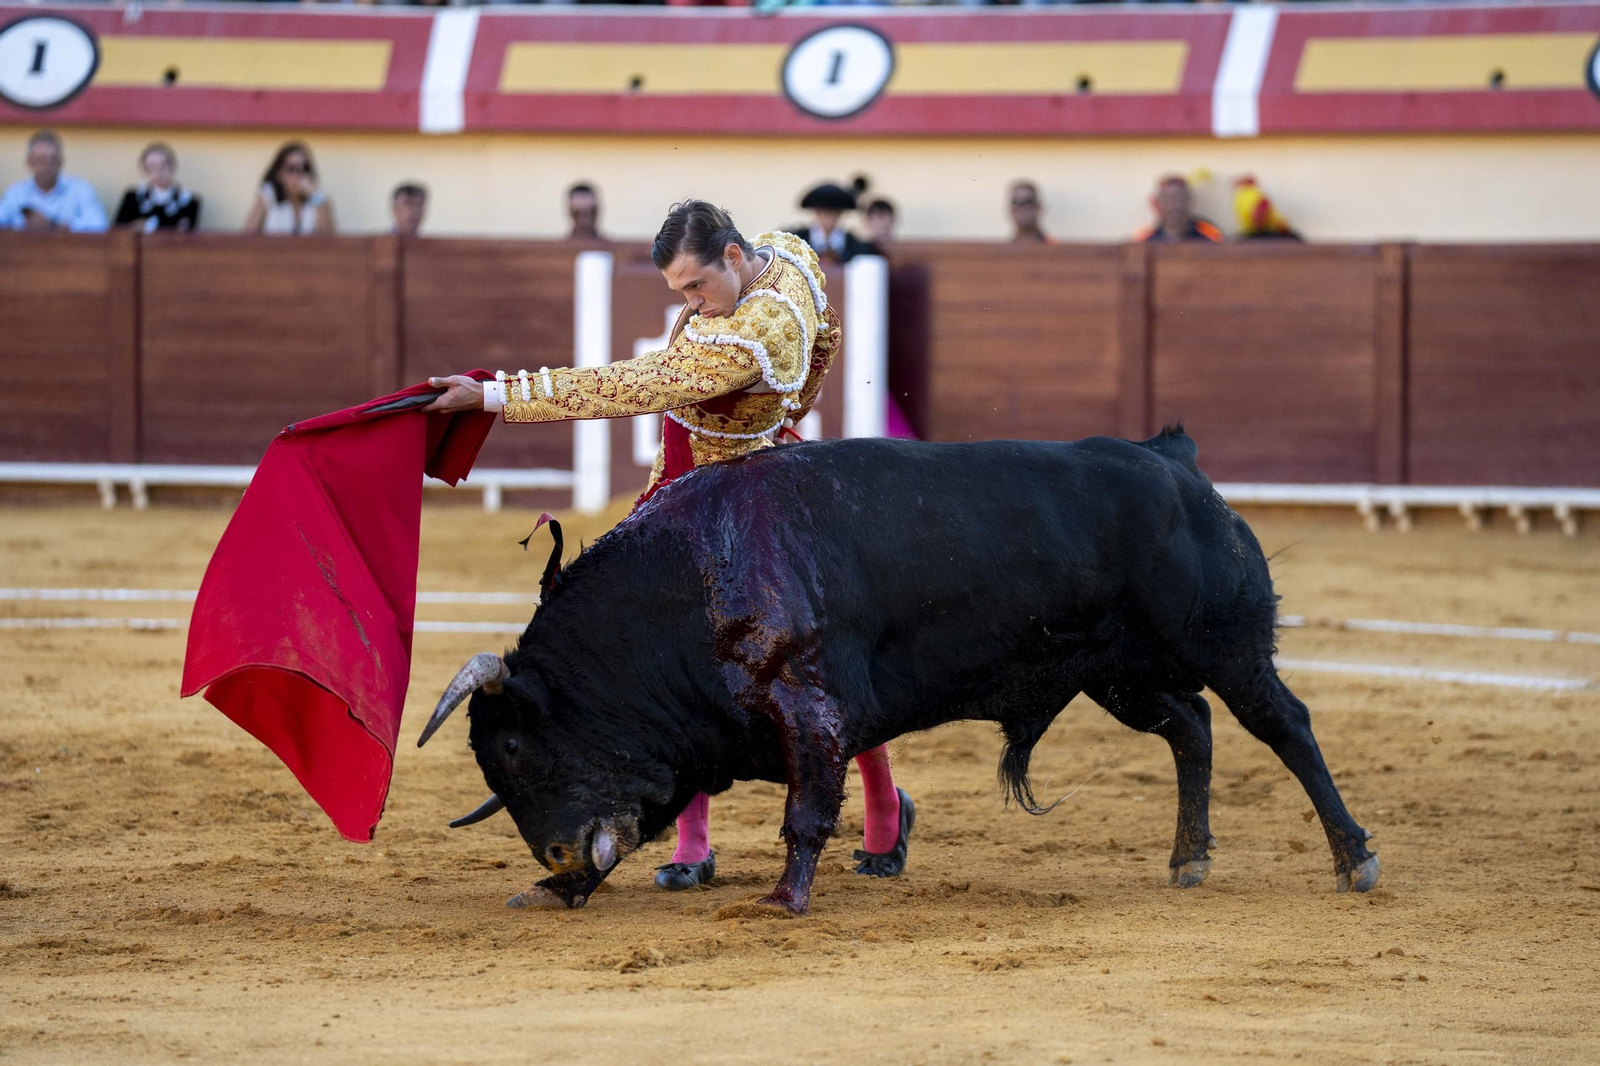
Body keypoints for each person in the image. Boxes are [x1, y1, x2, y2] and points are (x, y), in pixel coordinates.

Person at [424, 200, 914, 891]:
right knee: (675, 667)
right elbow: (826, 335)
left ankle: (882, 807)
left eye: (696, 286)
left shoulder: (752, 337)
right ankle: (699, 840)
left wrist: (495, 395)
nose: (692, 303)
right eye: (680, 291)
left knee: (810, 665)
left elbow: (631, 385)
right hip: (710, 479)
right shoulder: (789, 257)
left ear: (734, 258)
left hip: (720, 500)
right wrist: (791, 410)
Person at [0, 130, 107, 233]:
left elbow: (100, 225)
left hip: (68, 250)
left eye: (53, 160)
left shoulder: (80, 189)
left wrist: (53, 226)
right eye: (41, 160)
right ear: (30, 162)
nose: (47, 166)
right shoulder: (16, 193)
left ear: (61, 161)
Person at [243, 142, 334, 236]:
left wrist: (316, 196)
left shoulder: (319, 200)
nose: (298, 175)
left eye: (305, 169)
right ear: (279, 174)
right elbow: (247, 236)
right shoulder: (268, 196)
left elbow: (328, 240)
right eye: (292, 169)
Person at [114, 143, 201, 233]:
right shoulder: (133, 197)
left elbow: (186, 234)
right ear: (145, 170)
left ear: (173, 167)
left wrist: (144, 225)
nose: (159, 172)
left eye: (164, 165)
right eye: (152, 166)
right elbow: (119, 230)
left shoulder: (188, 201)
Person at [791, 180, 878, 264]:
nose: (828, 217)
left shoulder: (856, 246)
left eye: (833, 212)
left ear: (840, 213)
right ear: (816, 212)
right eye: (823, 212)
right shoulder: (795, 242)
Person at [1137, 175, 1224, 244]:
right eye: (1168, 199)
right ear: (1157, 202)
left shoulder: (1211, 233)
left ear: (1190, 200)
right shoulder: (1144, 238)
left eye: (1180, 198)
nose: (1175, 205)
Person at [1232, 176, 1303, 242]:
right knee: (1295, 241)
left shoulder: (1239, 196)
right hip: (1265, 233)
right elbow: (1261, 210)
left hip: (1252, 233)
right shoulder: (1250, 192)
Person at [1008, 180, 1051, 244]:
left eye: (1028, 202)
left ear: (1038, 207)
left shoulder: (1053, 247)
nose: (1021, 207)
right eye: (1016, 202)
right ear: (1011, 209)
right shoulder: (1004, 250)